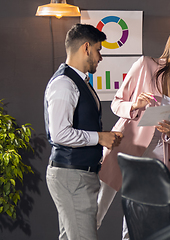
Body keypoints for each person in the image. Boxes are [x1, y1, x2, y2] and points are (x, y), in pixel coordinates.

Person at [96, 26, 170, 239]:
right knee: (98, 207)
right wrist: (135, 105)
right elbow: (116, 104)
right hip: (126, 146)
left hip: (157, 156)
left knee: (136, 218)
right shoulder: (145, 65)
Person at [44, 23, 123, 240]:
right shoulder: (64, 83)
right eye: (99, 50)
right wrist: (99, 138)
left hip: (78, 175)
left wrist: (103, 138)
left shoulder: (79, 81)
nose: (100, 57)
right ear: (86, 48)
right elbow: (59, 134)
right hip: (72, 176)